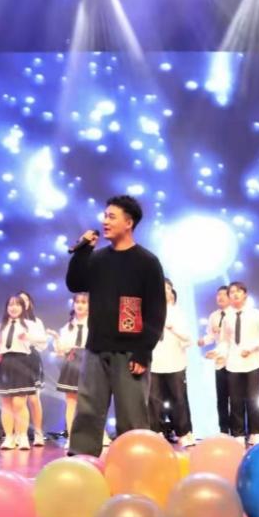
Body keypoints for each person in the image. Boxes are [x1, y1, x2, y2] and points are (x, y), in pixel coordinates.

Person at [65, 195, 167, 456]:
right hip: (96, 348)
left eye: (112, 217)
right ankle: (81, 460)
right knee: (87, 410)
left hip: (131, 353)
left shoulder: (147, 262)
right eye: (105, 216)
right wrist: (83, 250)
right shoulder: (98, 259)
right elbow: (75, 283)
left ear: (129, 223)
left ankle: (135, 462)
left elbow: (156, 311)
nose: (105, 221)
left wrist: (143, 351)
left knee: (132, 415)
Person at [0, 295, 48, 450]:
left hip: (22, 362)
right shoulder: (0, 326)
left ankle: (22, 436)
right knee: (6, 404)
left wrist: (28, 336)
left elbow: (43, 341)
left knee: (19, 402)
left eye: (17, 305)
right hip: (4, 363)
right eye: (10, 305)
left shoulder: (29, 324)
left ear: (22, 308)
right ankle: (9, 437)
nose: (13, 308)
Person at [218, 282, 259, 444]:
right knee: (235, 400)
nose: (235, 294)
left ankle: (256, 431)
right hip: (233, 363)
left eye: (238, 291)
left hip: (252, 362)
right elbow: (225, 341)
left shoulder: (256, 314)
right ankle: (238, 433)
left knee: (254, 398)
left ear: (245, 294)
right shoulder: (227, 317)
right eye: (232, 292)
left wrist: (251, 348)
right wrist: (218, 353)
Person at [150, 278, 195, 447]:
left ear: (172, 292)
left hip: (175, 362)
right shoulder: (149, 312)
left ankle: (183, 432)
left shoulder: (178, 313)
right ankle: (157, 432)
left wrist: (173, 329)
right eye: (161, 288)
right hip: (154, 362)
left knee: (178, 399)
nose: (165, 291)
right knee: (154, 400)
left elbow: (188, 339)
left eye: (168, 288)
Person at [54, 292, 90, 447]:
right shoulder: (67, 327)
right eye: (77, 302)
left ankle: (94, 436)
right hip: (72, 362)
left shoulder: (95, 324)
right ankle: (72, 437)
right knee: (71, 401)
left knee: (91, 402)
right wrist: (56, 339)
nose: (80, 305)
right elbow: (61, 350)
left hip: (90, 361)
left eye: (84, 302)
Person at [197, 285, 232, 435]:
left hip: (234, 359)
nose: (220, 297)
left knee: (236, 398)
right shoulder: (214, 316)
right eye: (218, 295)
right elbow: (211, 335)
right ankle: (224, 430)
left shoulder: (235, 315)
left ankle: (238, 430)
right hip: (219, 361)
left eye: (224, 294)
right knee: (221, 397)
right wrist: (203, 341)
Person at [17, 290, 50, 446]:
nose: (22, 303)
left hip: (31, 359)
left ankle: (38, 432)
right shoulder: (11, 321)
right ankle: (19, 433)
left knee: (34, 398)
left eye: (25, 300)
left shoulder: (36, 322)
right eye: (19, 300)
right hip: (15, 360)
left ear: (30, 303)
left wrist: (28, 337)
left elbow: (43, 343)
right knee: (18, 399)